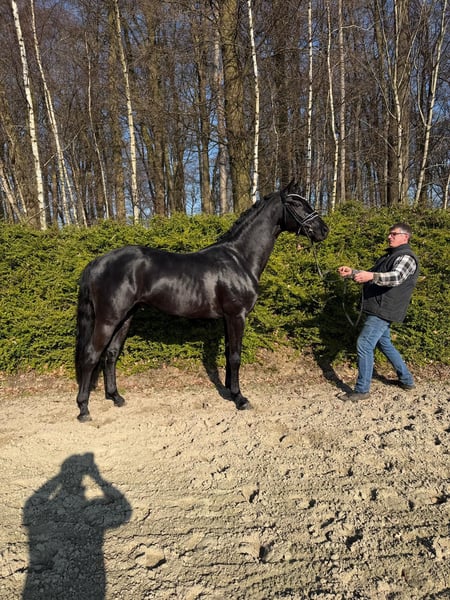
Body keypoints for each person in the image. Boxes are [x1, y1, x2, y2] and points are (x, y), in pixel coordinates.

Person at [338, 222, 419, 401]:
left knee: (364, 344)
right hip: (379, 307)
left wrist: (371, 276)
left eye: (393, 234)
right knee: (384, 344)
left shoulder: (406, 257)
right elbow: (370, 274)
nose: (389, 236)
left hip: (385, 309)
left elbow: (397, 277)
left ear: (405, 237)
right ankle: (407, 380)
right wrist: (352, 272)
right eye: (390, 233)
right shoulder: (390, 255)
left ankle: (362, 390)